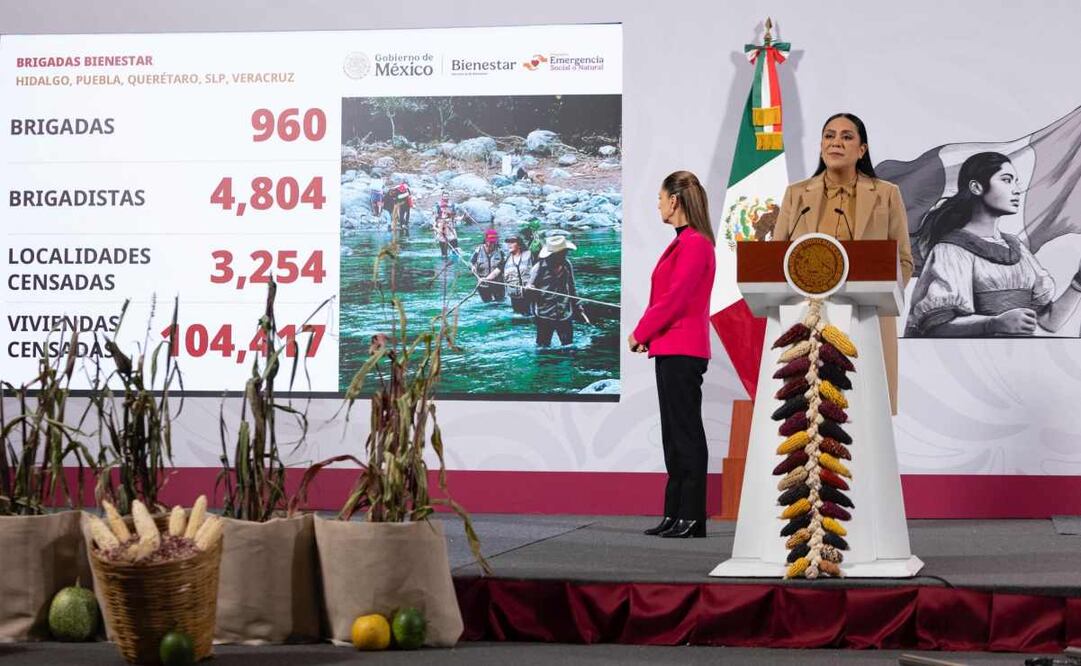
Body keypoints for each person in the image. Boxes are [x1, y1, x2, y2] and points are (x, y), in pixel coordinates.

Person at [772, 112, 913, 415]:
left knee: (865, 414)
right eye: (829, 135)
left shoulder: (886, 194)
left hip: (867, 319)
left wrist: (881, 293)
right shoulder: (797, 195)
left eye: (847, 136)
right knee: (806, 416)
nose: (836, 142)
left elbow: (904, 262)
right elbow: (774, 260)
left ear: (862, 150)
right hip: (806, 318)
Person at [906, 151, 1081, 337]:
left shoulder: (1018, 249)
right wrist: (993, 324)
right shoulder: (951, 250)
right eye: (1006, 180)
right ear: (976, 187)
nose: (1016, 189)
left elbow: (1049, 322)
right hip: (970, 360)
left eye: (1015, 181)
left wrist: (1078, 282)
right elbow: (935, 327)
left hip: (1019, 360)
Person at [631, 170, 716, 539]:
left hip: (683, 347)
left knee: (685, 433)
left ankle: (692, 515)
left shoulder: (695, 244)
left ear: (675, 200)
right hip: (670, 347)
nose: (658, 204)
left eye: (661, 197)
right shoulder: (683, 243)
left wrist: (640, 331)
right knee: (673, 434)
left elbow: (675, 300)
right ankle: (675, 512)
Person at [527, 235, 583, 345]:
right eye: (561, 253)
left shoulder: (567, 265)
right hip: (544, 314)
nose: (564, 255)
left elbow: (572, 287)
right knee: (543, 346)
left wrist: (578, 305)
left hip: (564, 313)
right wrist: (530, 288)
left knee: (568, 345)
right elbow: (530, 286)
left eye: (565, 252)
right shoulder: (538, 268)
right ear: (553, 255)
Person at [492, 235, 534, 315]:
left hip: (530, 293)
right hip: (515, 296)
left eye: (512, 242)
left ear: (519, 244)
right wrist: (484, 279)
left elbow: (539, 269)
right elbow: (496, 271)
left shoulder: (530, 255)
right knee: (518, 317)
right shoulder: (507, 259)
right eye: (508, 242)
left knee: (530, 315)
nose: (509, 244)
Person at [470, 229, 506, 302]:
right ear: (485, 240)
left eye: (493, 242)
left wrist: (488, 278)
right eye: (489, 241)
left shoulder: (501, 252)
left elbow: (501, 268)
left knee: (499, 303)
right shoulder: (478, 250)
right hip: (482, 284)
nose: (491, 244)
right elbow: (471, 262)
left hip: (498, 283)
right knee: (486, 303)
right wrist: (473, 267)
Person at [432, 194, 460, 258]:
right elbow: (437, 228)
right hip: (442, 237)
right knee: (444, 254)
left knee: (455, 251)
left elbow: (455, 217)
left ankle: (454, 256)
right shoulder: (438, 208)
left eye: (446, 196)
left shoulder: (450, 210)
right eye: (444, 196)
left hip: (451, 236)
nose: (444, 209)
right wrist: (435, 229)